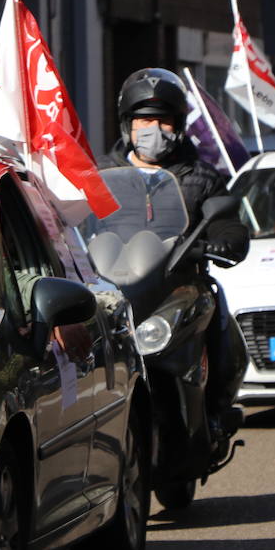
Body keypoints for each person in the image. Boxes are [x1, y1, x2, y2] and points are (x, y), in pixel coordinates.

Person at [102, 67, 250, 436]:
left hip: (179, 286)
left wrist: (224, 238)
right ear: (127, 125)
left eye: (164, 120)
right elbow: (72, 222)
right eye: (144, 120)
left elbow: (226, 221)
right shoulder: (98, 175)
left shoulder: (201, 175)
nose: (154, 129)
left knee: (217, 320)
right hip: (115, 290)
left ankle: (215, 409)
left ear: (179, 124)